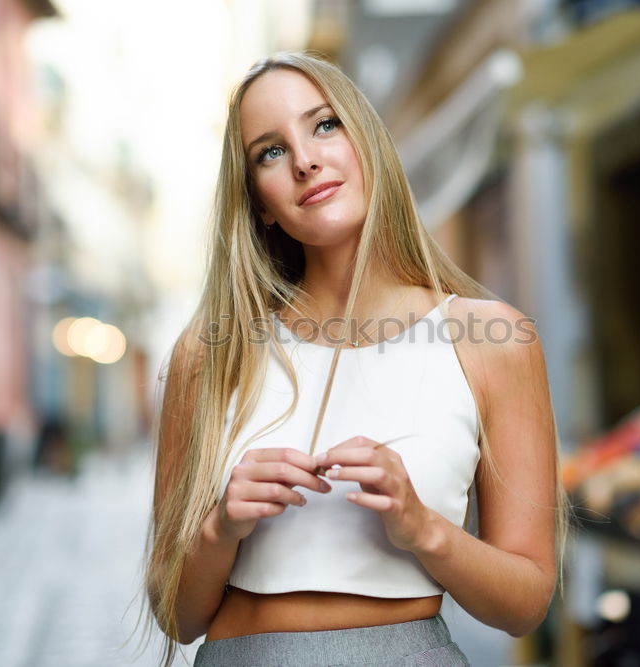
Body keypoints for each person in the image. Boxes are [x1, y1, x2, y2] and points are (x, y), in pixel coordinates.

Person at [142, 51, 566, 667]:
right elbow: (174, 616)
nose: (306, 160)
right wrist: (220, 527)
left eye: (324, 124)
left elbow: (525, 604)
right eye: (270, 151)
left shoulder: (493, 338)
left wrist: (423, 528)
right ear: (259, 201)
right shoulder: (212, 349)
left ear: (367, 141)